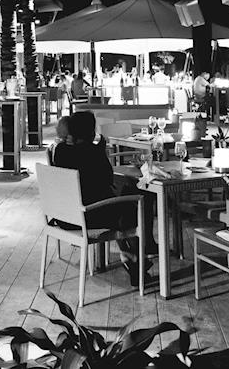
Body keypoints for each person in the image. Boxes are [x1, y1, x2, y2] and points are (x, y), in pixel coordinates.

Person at [51, 111, 154, 285]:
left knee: (121, 205)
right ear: (91, 132)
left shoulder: (60, 151)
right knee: (134, 201)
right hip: (90, 216)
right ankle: (137, 255)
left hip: (65, 217)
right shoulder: (94, 152)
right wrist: (100, 147)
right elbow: (107, 179)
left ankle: (132, 257)